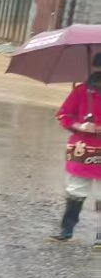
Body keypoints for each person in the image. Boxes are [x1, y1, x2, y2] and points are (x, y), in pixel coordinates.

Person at [51, 60, 101, 245]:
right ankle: (67, 230)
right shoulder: (81, 91)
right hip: (83, 149)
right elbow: (63, 115)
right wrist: (79, 125)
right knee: (76, 190)